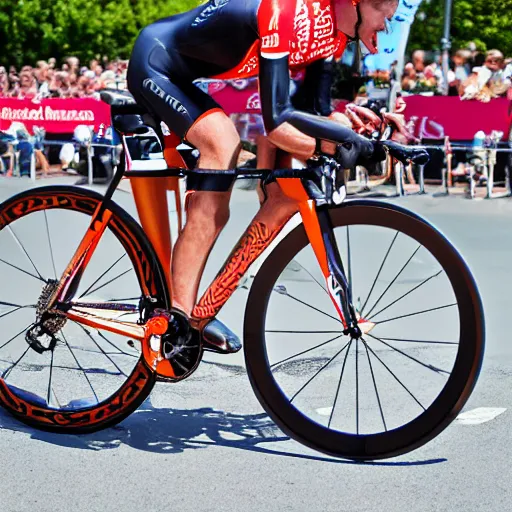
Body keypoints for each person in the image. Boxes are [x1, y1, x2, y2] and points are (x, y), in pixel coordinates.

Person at [127, 0, 398, 352]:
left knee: (282, 186)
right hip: (156, 62)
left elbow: (310, 113)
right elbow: (277, 121)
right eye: (384, 16)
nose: (386, 28)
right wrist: (339, 142)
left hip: (187, 76)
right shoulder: (283, 10)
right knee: (222, 143)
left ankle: (198, 313)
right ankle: (178, 317)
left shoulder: (332, 36)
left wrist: (349, 125)